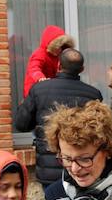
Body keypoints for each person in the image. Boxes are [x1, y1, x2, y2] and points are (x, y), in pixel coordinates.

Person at [15, 49, 103, 187]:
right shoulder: (93, 94)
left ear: (59, 66)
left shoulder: (40, 89)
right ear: (82, 69)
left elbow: (21, 124)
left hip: (49, 169)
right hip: (82, 168)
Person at [23, 25, 75, 97]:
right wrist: (40, 78)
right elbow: (34, 68)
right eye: (58, 47)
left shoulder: (57, 56)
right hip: (35, 91)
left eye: (62, 47)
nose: (60, 50)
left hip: (48, 90)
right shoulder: (40, 54)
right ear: (52, 45)